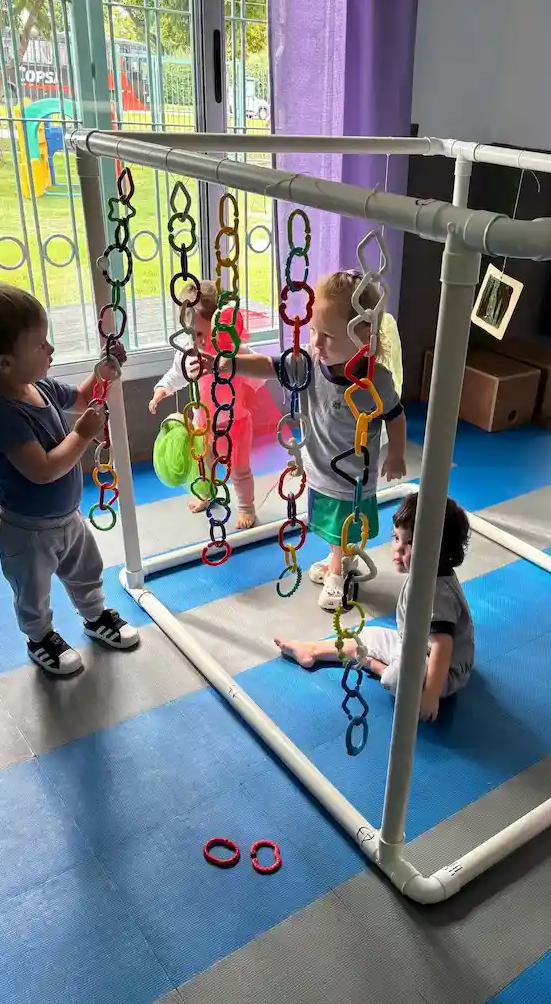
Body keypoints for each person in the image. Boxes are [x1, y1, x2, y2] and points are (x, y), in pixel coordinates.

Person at [0, 280, 140, 676]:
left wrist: (103, 372)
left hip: (66, 517)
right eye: (40, 345)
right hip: (26, 529)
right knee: (33, 592)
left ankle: (94, 616)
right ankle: (41, 639)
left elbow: (84, 398)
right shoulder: (0, 412)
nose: (50, 350)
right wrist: (82, 436)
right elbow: (43, 469)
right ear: (4, 362)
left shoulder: (36, 385)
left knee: (86, 570)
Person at [216, 269, 407, 610]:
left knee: (343, 525)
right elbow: (269, 365)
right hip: (320, 467)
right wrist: (230, 365)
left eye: (328, 336)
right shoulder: (309, 362)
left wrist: (395, 455)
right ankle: (343, 560)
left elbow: (395, 415)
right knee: (332, 526)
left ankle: (338, 570)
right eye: (314, 330)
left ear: (364, 335)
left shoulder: (375, 379)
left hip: (353, 476)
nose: (317, 343)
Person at [275, 493, 474, 721]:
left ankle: (374, 665)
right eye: (396, 538)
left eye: (410, 543)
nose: (398, 549)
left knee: (395, 679)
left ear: (439, 549)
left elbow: (442, 646)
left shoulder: (436, 592)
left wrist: (430, 695)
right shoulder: (429, 571)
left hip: (444, 671)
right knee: (367, 636)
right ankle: (312, 650)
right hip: (417, 645)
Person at [149, 280, 261, 530]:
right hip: (204, 425)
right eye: (190, 334)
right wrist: (161, 391)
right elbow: (175, 374)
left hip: (236, 423)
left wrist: (244, 378)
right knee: (204, 465)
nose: (196, 340)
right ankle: (207, 495)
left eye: (201, 333)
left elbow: (258, 371)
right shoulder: (188, 352)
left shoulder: (232, 348)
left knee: (240, 469)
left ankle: (246, 507)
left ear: (218, 324)